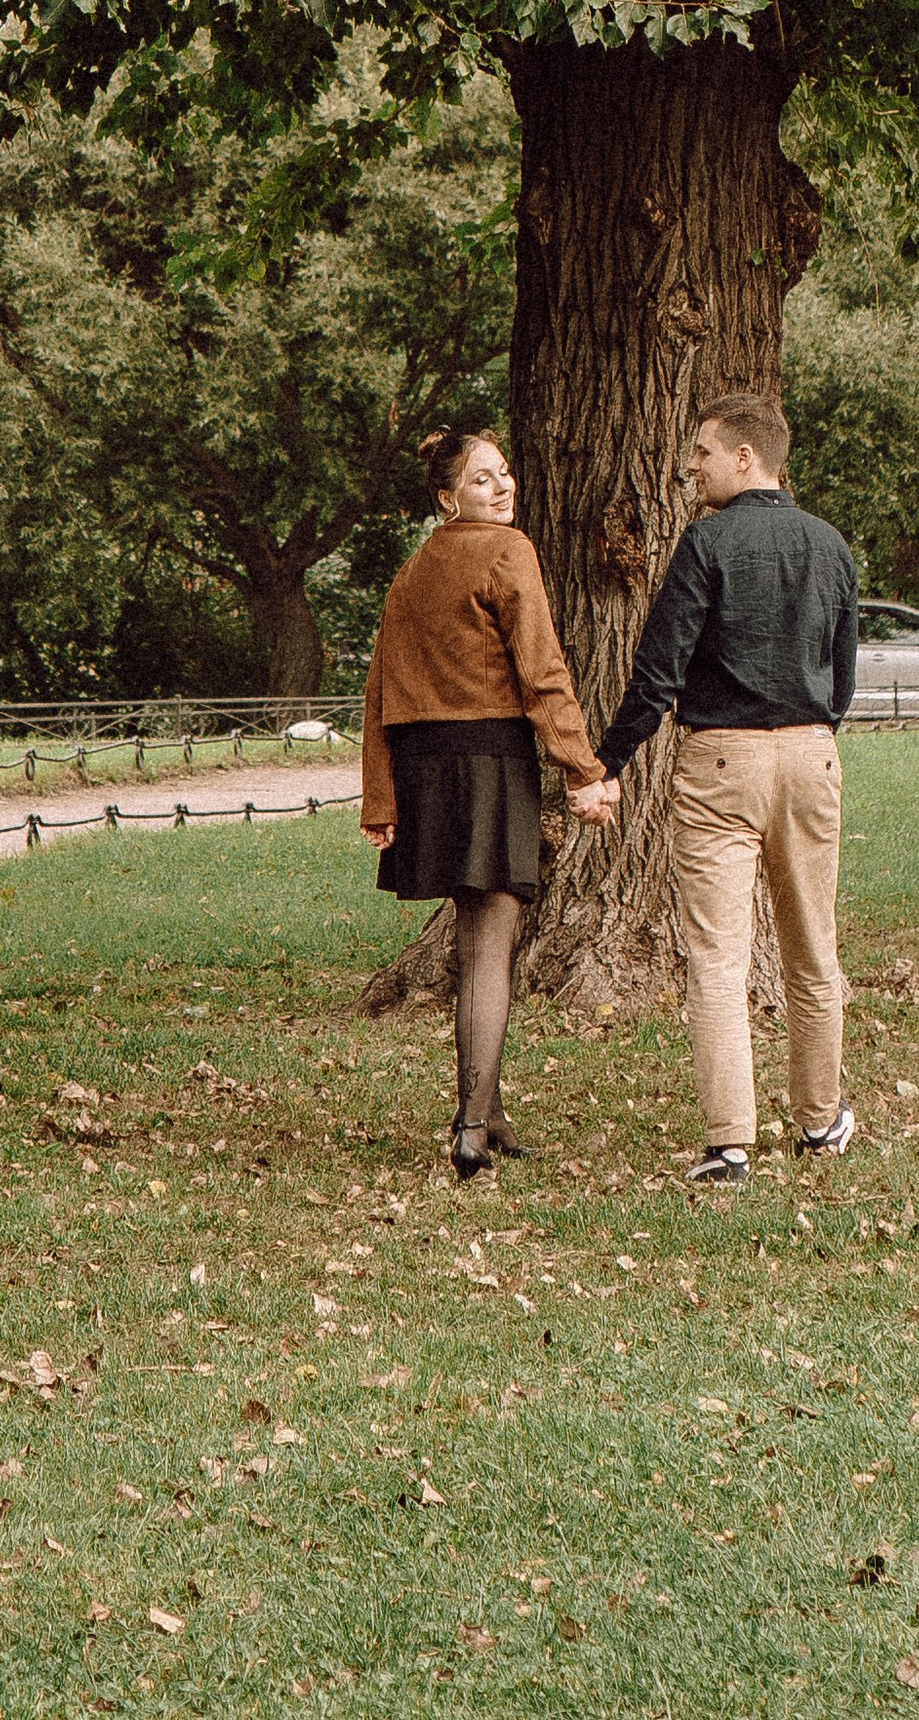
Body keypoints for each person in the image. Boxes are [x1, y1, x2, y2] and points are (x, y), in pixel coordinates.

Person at [594, 388, 859, 1190]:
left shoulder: (706, 545)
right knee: (813, 948)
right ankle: (819, 1122)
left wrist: (606, 765)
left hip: (718, 764)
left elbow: (657, 672)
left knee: (717, 957)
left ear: (746, 458)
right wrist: (810, 729)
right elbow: (842, 675)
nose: (692, 465)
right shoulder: (830, 544)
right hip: (811, 754)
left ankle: (730, 1145)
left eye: (703, 452)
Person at [361, 423, 619, 1177]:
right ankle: (472, 1126)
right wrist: (582, 768)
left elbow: (378, 693)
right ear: (448, 497)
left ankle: (487, 1109)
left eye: (504, 473)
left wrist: (382, 799)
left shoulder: (411, 573)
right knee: (489, 943)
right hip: (486, 759)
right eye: (482, 479)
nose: (502, 487)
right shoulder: (511, 552)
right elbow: (543, 672)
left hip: (424, 768)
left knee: (481, 937)